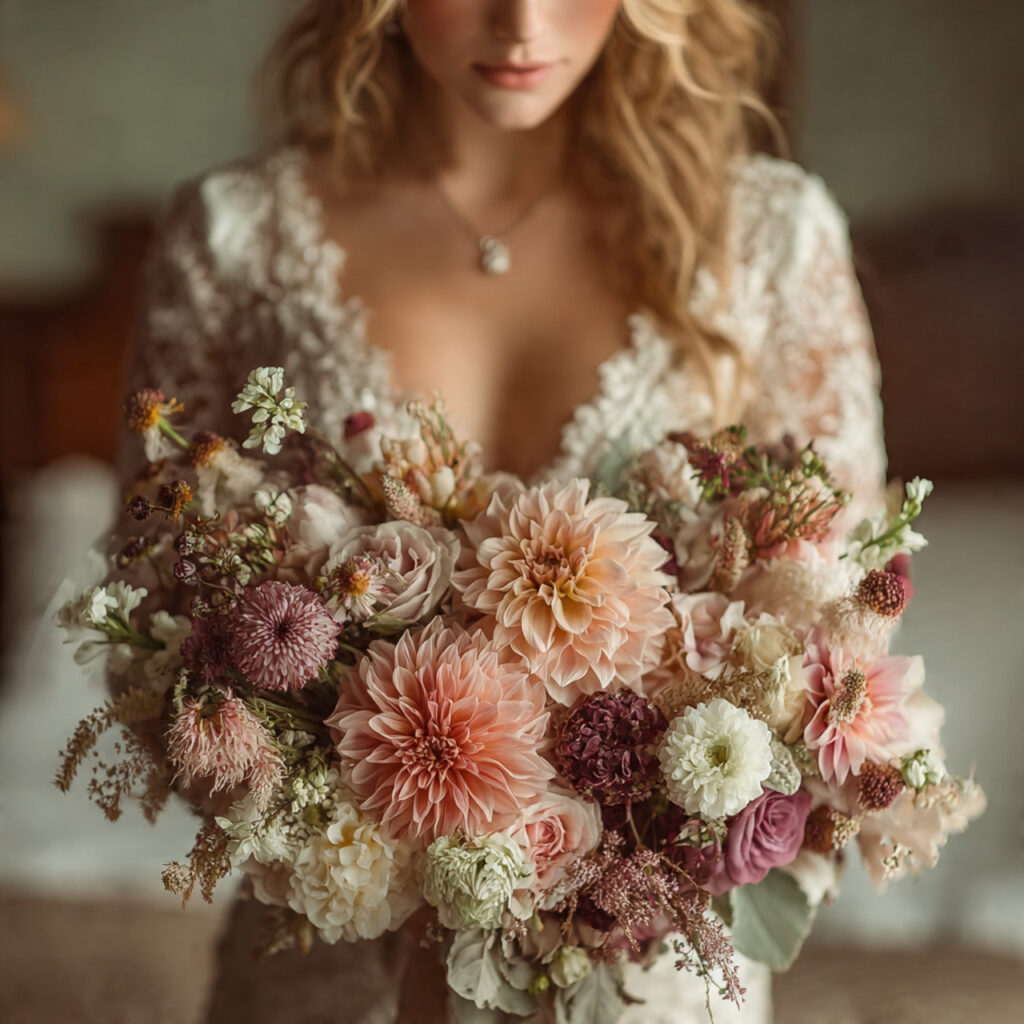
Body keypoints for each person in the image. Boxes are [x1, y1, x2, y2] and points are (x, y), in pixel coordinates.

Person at [123, 2, 887, 1021]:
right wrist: (342, 807)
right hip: (333, 951)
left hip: (645, 972)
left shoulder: (766, 237)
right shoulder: (237, 236)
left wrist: (630, 831)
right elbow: (152, 607)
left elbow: (843, 621)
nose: (521, 23)